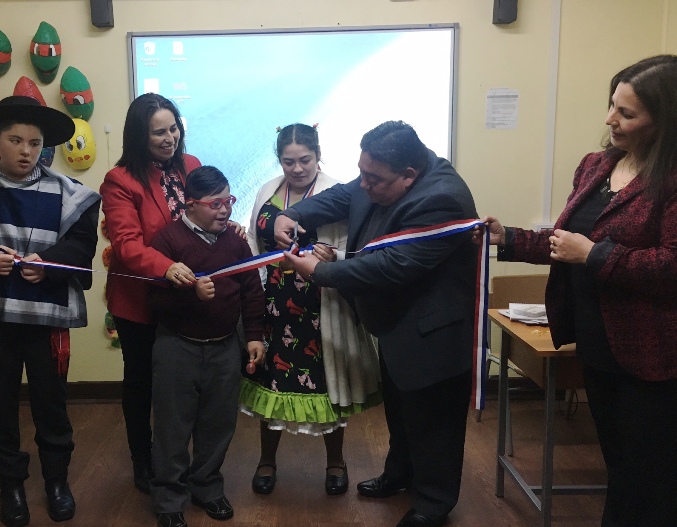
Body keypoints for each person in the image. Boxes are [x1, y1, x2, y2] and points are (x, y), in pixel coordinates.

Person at [480, 55, 677, 527]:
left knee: (652, 478)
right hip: (596, 344)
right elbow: (566, 242)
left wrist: (595, 255)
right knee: (621, 467)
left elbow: (670, 264)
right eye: (612, 105)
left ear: (666, 120)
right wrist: (509, 238)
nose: (611, 119)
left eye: (627, 114)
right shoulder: (596, 165)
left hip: (653, 356)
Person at [274, 121, 478, 527]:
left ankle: (433, 503)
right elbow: (342, 196)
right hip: (397, 324)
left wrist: (319, 271)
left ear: (408, 176)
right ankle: (399, 474)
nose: (363, 185)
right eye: (362, 172)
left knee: (434, 424)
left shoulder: (444, 199)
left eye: (373, 179)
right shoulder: (380, 174)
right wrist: (292, 213)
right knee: (402, 412)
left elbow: (390, 267)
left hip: (432, 331)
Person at [0, 96, 100, 527]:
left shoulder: (73, 195)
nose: (25, 151)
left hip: (48, 320)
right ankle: (10, 483)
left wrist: (49, 265)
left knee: (51, 403)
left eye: (34, 142)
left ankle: (56, 481)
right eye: (15, 140)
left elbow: (83, 249)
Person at [240, 123, 381, 496]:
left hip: (321, 302)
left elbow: (354, 246)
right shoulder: (267, 192)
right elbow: (255, 244)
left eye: (305, 160)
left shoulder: (337, 191)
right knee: (271, 381)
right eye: (289, 161)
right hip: (276, 303)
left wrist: (332, 255)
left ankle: (336, 462)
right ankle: (266, 461)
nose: (297, 168)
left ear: (318, 156)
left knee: (327, 385)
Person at [148, 165, 266, 527]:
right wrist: (189, 291)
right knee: (172, 427)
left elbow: (251, 290)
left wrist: (254, 335)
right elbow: (153, 300)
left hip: (225, 348)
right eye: (215, 204)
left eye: (228, 201)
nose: (225, 210)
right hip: (176, 346)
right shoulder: (167, 242)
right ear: (190, 204)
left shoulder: (234, 240)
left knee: (218, 424)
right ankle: (169, 499)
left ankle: (207, 488)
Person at [99, 93, 201, 493]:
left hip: (186, 297)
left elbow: (206, 216)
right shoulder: (120, 180)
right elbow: (126, 245)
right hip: (140, 303)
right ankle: (143, 462)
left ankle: (178, 460)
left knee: (184, 386)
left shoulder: (191, 167)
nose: (169, 138)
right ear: (138, 137)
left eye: (173, 128)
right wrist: (167, 267)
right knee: (141, 384)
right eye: (158, 132)